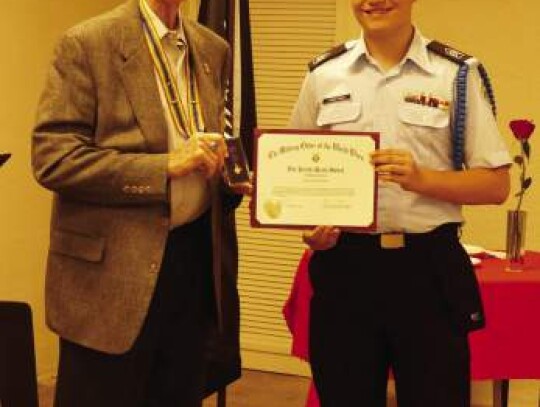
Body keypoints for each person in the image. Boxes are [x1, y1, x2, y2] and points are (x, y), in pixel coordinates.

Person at [289, 0, 511, 406]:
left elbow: (496, 185)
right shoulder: (324, 74)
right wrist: (311, 227)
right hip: (345, 271)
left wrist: (423, 179)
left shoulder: (456, 75)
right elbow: (297, 172)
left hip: (426, 271)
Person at [31, 0, 249, 405]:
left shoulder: (212, 48)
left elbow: (207, 138)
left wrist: (229, 175)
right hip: (110, 280)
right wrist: (164, 166)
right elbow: (53, 159)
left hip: (192, 270)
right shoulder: (86, 43)